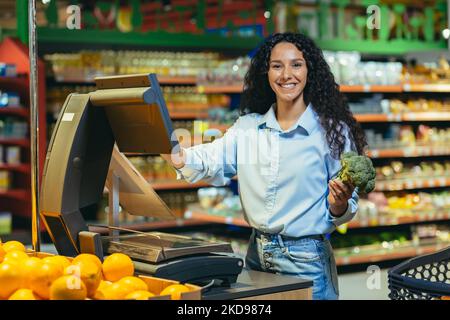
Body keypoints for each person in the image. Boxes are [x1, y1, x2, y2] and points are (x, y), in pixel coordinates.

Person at [161, 32, 367, 300]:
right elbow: (212, 158)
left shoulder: (331, 132)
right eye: (276, 66)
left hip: (306, 260)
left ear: (309, 70)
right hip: (255, 253)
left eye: (296, 64)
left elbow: (347, 204)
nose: (286, 74)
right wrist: (176, 154)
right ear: (266, 73)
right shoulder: (248, 128)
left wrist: (338, 205)